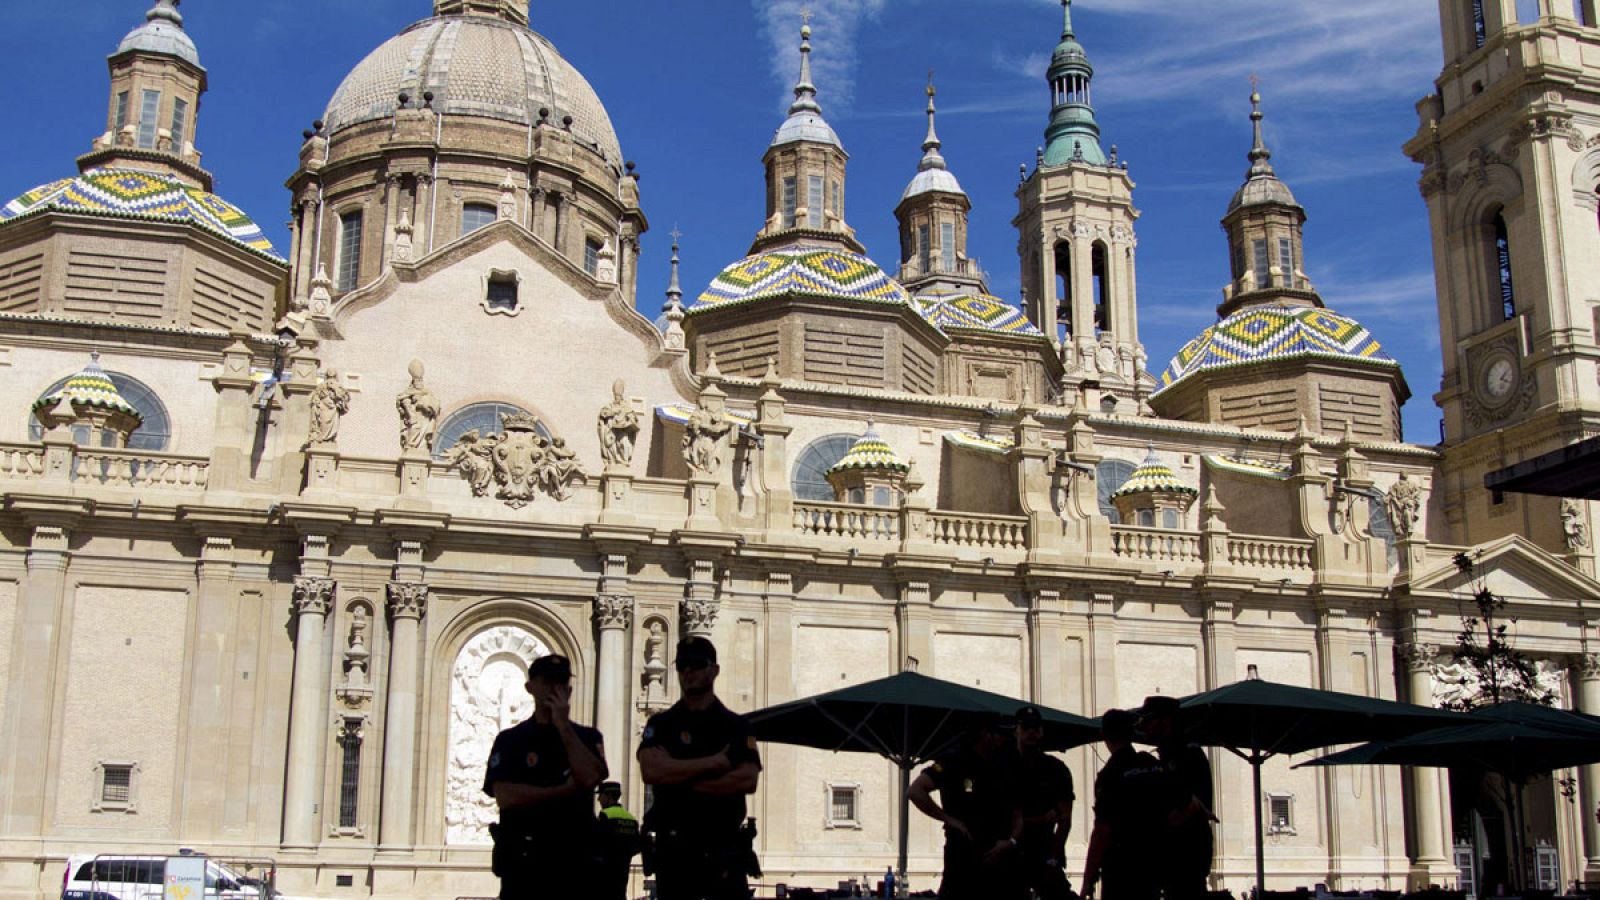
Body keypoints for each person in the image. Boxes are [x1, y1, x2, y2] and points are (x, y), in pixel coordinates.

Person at [638, 637, 763, 900]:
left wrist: (677, 777)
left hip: (723, 850)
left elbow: (747, 780)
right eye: (682, 665)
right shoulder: (661, 724)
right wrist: (715, 763)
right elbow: (650, 771)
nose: (687, 672)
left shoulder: (737, 726)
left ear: (714, 670)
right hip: (675, 854)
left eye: (695, 665)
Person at [482, 654, 609, 899]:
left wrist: (562, 725)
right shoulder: (510, 740)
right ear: (530, 687)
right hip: (525, 865)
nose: (555, 689)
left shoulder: (587, 737)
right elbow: (505, 796)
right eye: (548, 682)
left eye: (561, 683)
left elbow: (592, 776)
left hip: (575, 864)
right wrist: (563, 791)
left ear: (569, 690)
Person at [909, 714, 1025, 900]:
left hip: (1001, 863)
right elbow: (915, 791)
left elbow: (1018, 815)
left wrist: (1010, 842)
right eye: (1001, 735)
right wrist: (948, 819)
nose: (1006, 740)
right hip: (963, 860)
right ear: (986, 735)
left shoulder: (1008, 766)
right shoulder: (955, 761)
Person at [1081, 709, 1179, 900]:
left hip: (1122, 869)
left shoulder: (1109, 775)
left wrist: (1087, 879)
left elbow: (1102, 831)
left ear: (1104, 735)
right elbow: (1178, 807)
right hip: (1154, 866)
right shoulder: (1153, 765)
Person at [1139, 695, 1216, 900]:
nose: (1144, 726)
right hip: (1175, 855)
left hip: (1185, 852)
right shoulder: (1169, 753)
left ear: (1166, 720)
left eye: (1149, 719)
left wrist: (1158, 831)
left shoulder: (1186, 753)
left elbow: (1192, 804)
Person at [1011, 705, 1075, 900]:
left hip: (1044, 852)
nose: (1032, 732)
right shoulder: (1003, 766)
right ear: (1017, 730)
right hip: (1012, 853)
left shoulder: (1056, 768)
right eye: (1027, 727)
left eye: (1036, 728)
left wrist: (1053, 860)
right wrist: (1040, 820)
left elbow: (1064, 819)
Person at [594, 781, 641, 900]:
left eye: (601, 795)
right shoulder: (631, 819)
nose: (599, 799)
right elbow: (637, 845)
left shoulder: (605, 815)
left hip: (605, 873)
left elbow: (597, 843)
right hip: (623, 871)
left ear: (609, 796)